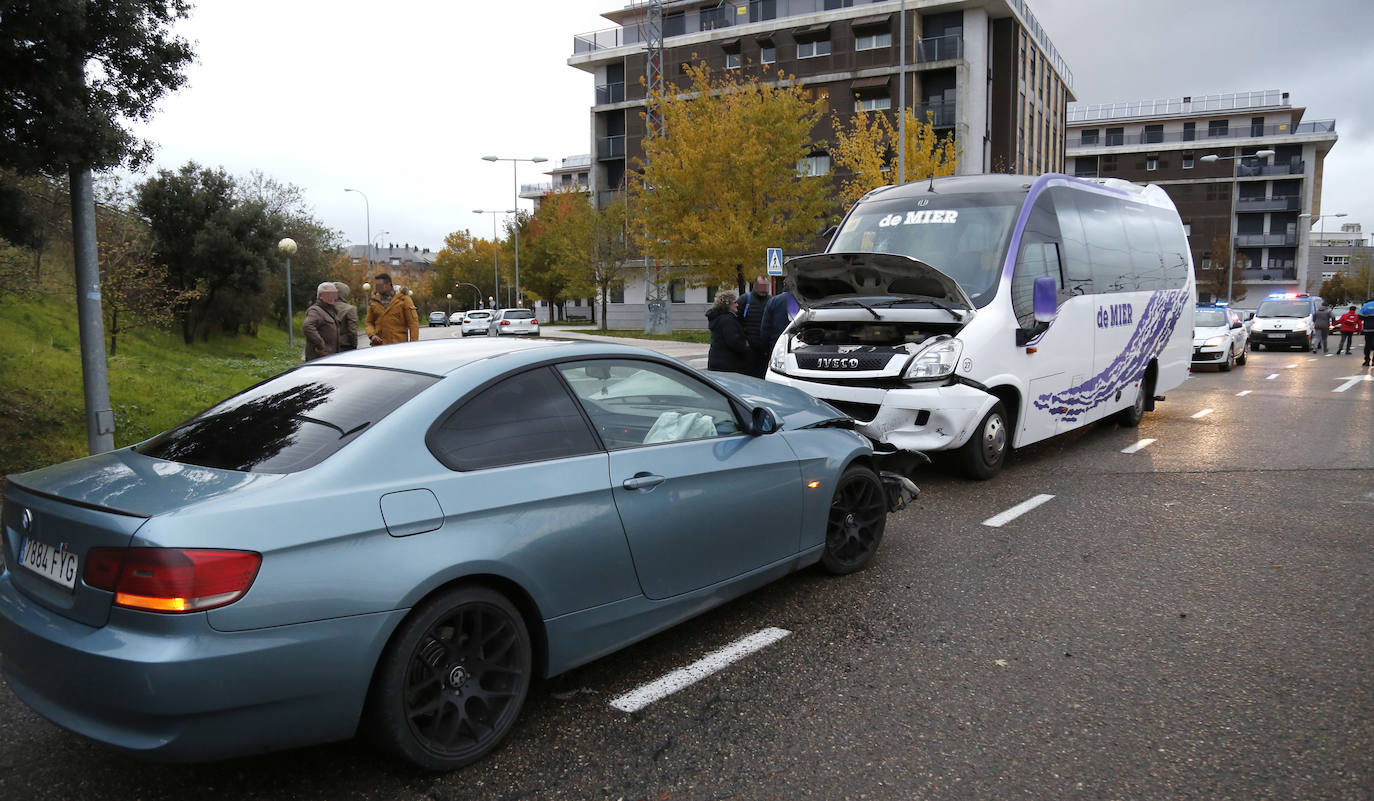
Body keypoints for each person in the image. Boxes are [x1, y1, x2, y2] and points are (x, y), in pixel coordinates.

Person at [365, 273, 420, 346]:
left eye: (380, 285)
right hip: (379, 346)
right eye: (376, 285)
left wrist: (413, 344)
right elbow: (369, 322)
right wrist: (372, 335)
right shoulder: (374, 301)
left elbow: (413, 323)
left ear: (388, 284)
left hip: (398, 345)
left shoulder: (403, 299)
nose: (377, 288)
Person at [706, 291, 751, 374]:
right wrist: (745, 346)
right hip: (728, 364)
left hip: (717, 361)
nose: (737, 305)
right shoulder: (727, 320)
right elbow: (734, 341)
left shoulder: (718, 317)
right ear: (727, 304)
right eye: (735, 302)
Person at [737, 275, 771, 378]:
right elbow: (736, 322)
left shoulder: (772, 301)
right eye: (761, 286)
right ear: (755, 285)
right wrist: (743, 340)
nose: (764, 289)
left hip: (766, 349)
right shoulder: (744, 300)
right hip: (749, 349)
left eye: (766, 286)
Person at [760, 288, 800, 363]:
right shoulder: (805, 301)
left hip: (776, 346)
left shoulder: (773, 301)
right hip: (799, 347)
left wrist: (765, 349)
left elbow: (765, 329)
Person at [302, 282, 340, 361]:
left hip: (330, 356)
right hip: (319, 357)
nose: (332, 297)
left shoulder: (331, 310)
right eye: (328, 294)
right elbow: (307, 326)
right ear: (320, 296)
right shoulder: (315, 311)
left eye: (334, 294)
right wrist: (320, 344)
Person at [332, 281, 358, 351]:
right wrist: (354, 345)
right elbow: (352, 331)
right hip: (345, 345)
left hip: (329, 346)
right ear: (345, 294)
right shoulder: (350, 309)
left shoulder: (325, 307)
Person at [1360, 297, 1374, 366]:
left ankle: (1367, 360)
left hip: (1368, 328)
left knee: (1367, 344)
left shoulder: (1366, 305)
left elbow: (1360, 317)